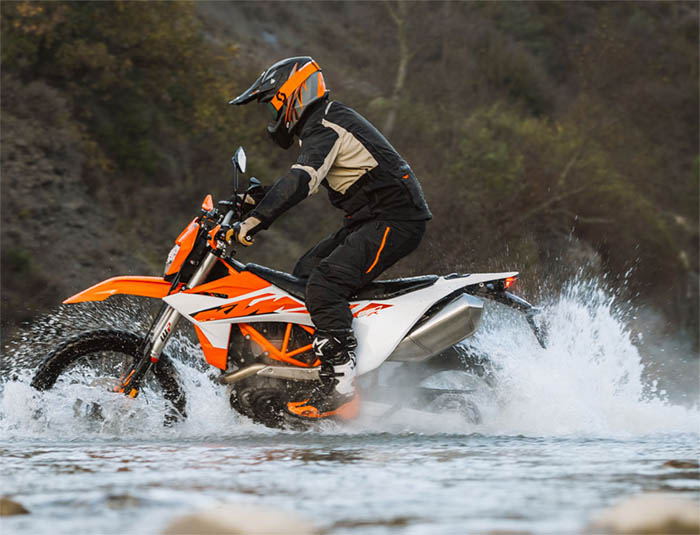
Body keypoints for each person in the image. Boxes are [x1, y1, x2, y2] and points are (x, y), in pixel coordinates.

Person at [229, 56, 431, 420]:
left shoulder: (326, 126)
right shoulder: (323, 123)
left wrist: (255, 221)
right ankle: (310, 369)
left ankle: (340, 383)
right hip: (371, 220)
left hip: (395, 221)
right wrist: (252, 201)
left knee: (324, 284)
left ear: (292, 97)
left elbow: (302, 180)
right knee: (305, 273)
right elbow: (300, 177)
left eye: (273, 104)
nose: (273, 114)